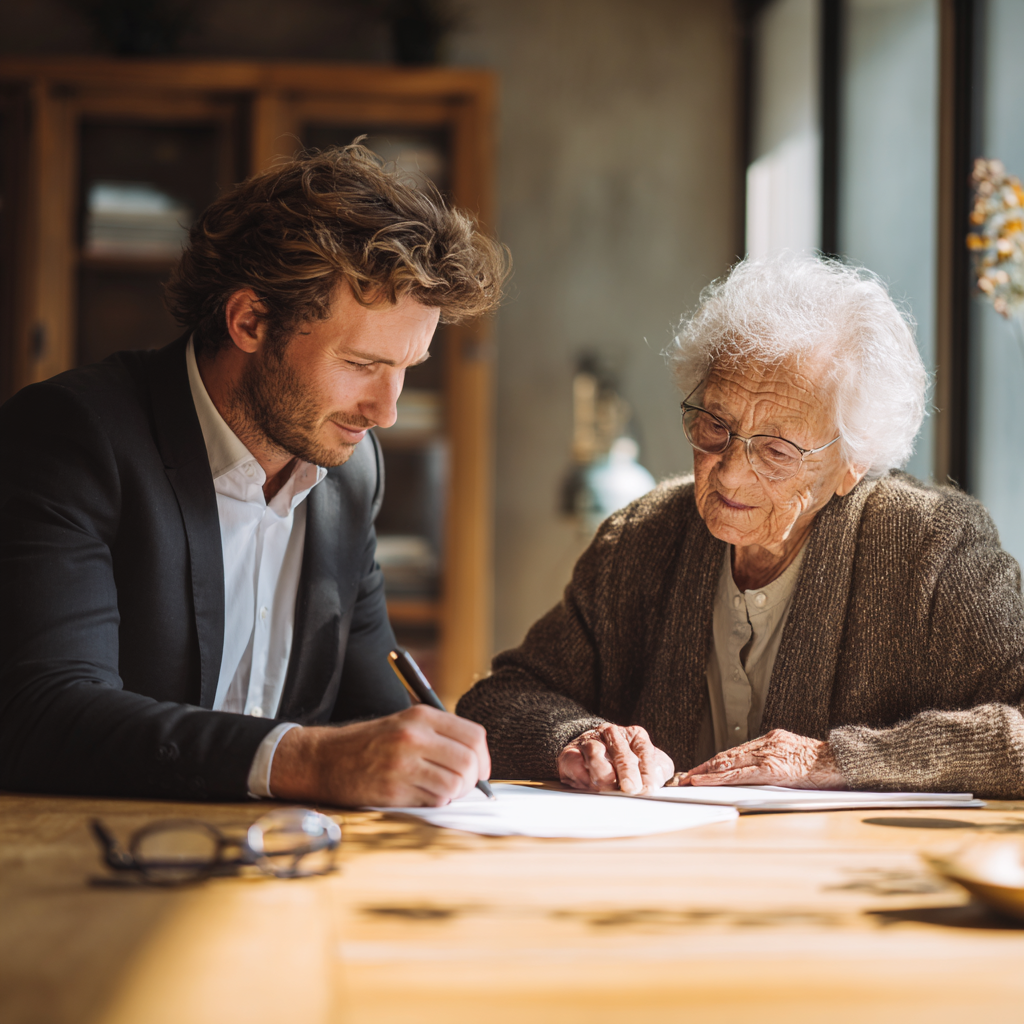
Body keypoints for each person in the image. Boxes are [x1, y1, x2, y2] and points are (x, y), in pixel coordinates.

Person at [0, 144, 508, 807]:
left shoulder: (350, 474)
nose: (387, 411)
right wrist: (309, 761)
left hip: (277, 871)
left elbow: (376, 711)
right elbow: (43, 715)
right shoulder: (73, 436)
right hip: (91, 870)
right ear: (249, 321)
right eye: (360, 363)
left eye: (406, 368)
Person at [458, 251, 1024, 798]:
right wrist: (578, 741)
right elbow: (500, 699)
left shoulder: (932, 549)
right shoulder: (642, 536)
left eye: (776, 450)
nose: (729, 474)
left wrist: (835, 760)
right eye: (715, 427)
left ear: (853, 462)